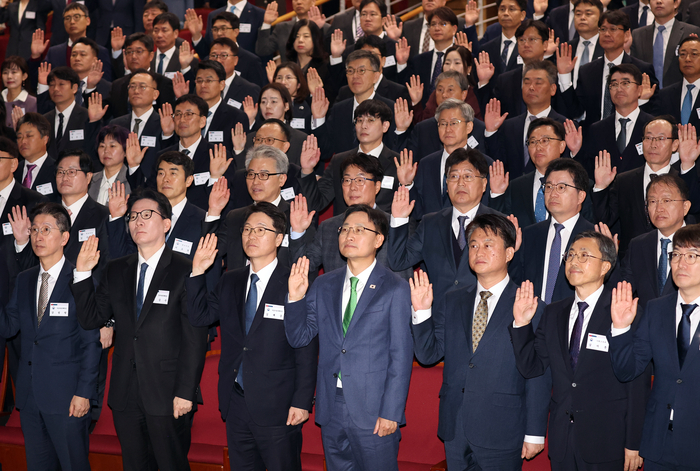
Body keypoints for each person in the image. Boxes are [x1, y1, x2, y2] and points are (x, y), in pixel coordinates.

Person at [72, 187, 209, 471]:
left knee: (171, 464)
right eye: (133, 216)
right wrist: (83, 274)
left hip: (168, 391)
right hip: (125, 391)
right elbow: (91, 319)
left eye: (147, 215)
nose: (138, 221)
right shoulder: (116, 269)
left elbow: (195, 338)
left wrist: (186, 391)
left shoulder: (185, 270)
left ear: (166, 224)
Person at [411, 214, 550, 470]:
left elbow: (538, 374)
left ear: (509, 253)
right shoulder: (453, 300)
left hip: (502, 427)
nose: (479, 251)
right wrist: (421, 312)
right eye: (473, 245)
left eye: (488, 244)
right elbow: (428, 354)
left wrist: (535, 432)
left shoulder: (530, 304)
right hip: (455, 424)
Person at [188, 203, 318, 471]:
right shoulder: (230, 280)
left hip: (279, 405)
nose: (251, 235)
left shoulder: (294, 280)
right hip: (236, 400)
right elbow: (199, 317)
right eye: (247, 229)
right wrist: (198, 271)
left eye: (260, 230)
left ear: (279, 239)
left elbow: (306, 348)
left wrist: (302, 401)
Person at [285, 204, 413, 470]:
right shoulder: (324, 284)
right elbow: (299, 338)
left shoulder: (395, 287)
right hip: (331, 405)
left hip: (374, 409)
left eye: (359, 230)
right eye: (345, 230)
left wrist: (391, 411)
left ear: (378, 240)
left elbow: (400, 355)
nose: (349, 235)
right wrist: (295, 298)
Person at [510, 231, 648, 471]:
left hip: (607, 440)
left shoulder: (624, 311)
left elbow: (637, 383)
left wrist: (633, 442)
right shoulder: (553, 312)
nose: (574, 261)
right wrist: (522, 325)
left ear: (605, 266)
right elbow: (532, 367)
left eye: (584, 255)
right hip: (563, 439)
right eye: (571, 255)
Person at [0, 202, 100, 471]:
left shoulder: (80, 280)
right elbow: (8, 327)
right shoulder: (25, 279)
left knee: (73, 465)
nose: (38, 236)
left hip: (67, 397)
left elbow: (91, 344)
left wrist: (84, 393)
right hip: (30, 396)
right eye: (34, 230)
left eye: (46, 229)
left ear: (65, 237)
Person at [609, 224, 700, 471]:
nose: (681, 263)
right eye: (676, 254)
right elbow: (627, 371)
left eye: (692, 255)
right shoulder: (656, 309)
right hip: (658, 443)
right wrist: (620, 328)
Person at [390, 147, 501, 314]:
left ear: (484, 184)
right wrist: (399, 219)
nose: (460, 183)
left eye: (468, 176)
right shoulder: (430, 223)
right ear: (446, 185)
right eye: (454, 176)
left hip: (481, 318)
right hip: (438, 319)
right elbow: (398, 261)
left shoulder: (499, 223)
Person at [592, 117, 700, 258]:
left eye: (661, 138)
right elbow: (604, 221)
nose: (653, 144)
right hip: (631, 259)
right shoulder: (624, 180)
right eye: (648, 138)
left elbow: (694, 209)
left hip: (674, 256)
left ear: (675, 145)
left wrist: (688, 164)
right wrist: (600, 187)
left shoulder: (683, 178)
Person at [290, 154, 410, 280]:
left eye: (360, 180)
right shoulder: (328, 227)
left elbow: (402, 279)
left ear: (377, 186)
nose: (352, 187)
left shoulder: (394, 226)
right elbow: (302, 269)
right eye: (347, 180)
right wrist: (298, 232)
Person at [212, 145, 313, 271]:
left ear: (281, 179)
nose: (255, 182)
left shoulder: (297, 218)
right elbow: (210, 253)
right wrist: (213, 212)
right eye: (251, 174)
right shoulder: (235, 217)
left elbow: (307, 267)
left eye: (264, 175)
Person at [510, 158, 595, 304]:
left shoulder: (593, 237)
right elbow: (516, 281)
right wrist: (513, 252)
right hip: (532, 314)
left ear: (581, 196)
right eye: (548, 187)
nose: (553, 193)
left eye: (561, 187)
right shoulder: (530, 234)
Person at [299, 99, 401, 216]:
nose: (363, 126)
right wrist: (307, 170)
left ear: (385, 126)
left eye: (370, 120)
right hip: (344, 225)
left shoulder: (398, 163)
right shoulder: (339, 160)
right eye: (359, 120)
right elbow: (316, 203)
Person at [558, 10, 657, 129]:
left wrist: (643, 101)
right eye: (603, 29)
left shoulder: (642, 69)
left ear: (626, 34)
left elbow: (654, 112)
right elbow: (576, 111)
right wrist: (564, 75)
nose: (607, 34)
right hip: (595, 135)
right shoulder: (587, 71)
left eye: (613, 29)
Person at [490, 117, 592, 227]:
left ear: (562, 146)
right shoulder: (515, 187)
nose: (538, 147)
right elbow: (501, 226)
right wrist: (497, 194)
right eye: (533, 142)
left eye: (545, 141)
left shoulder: (581, 185)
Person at [484, 60, 569, 180]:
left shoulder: (566, 126)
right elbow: (497, 162)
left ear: (553, 89)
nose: (531, 88)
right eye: (527, 83)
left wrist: (575, 151)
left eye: (538, 83)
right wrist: (491, 131)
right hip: (513, 189)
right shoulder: (509, 126)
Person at [569, 64, 655, 176]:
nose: (619, 89)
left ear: (639, 90)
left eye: (625, 83)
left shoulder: (653, 126)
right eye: (614, 84)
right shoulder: (597, 129)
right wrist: (576, 151)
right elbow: (588, 171)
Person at [310, 50, 396, 161]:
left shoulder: (390, 108)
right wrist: (319, 118)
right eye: (350, 71)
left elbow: (394, 150)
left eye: (361, 71)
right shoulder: (339, 109)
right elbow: (325, 152)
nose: (355, 76)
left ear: (376, 76)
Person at [410, 99, 488, 220]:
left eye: (454, 123)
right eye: (443, 124)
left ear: (469, 127)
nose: (448, 129)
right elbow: (418, 210)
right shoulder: (427, 163)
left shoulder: (485, 163)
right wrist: (407, 184)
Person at [621, 174, 691, 308]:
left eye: (666, 200)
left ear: (685, 207)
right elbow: (622, 291)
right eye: (652, 202)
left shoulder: (696, 242)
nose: (659, 208)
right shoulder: (637, 245)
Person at [109, 69, 176, 180]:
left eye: (142, 87)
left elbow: (170, 157)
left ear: (155, 94)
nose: (136, 91)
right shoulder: (116, 124)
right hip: (119, 182)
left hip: (151, 183)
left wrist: (168, 135)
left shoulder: (165, 124)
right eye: (132, 86)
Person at [30, 3, 113, 82]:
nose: (72, 22)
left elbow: (106, 84)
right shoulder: (54, 52)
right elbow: (37, 81)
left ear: (88, 20)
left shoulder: (100, 51)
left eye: (77, 17)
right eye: (67, 18)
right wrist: (36, 56)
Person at [396, 7, 460, 104]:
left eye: (443, 24)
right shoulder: (419, 60)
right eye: (433, 24)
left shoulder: (461, 58)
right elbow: (405, 88)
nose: (437, 28)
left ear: (454, 29)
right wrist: (402, 64)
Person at [630, 0, 700, 89]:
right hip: (646, 93)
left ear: (676, 3)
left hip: (678, 93)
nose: (659, 1)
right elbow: (634, 68)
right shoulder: (638, 34)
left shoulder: (690, 32)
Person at [187, 11, 266, 87]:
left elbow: (255, 90)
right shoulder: (208, 59)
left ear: (236, 32)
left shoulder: (251, 60)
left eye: (223, 29)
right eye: (215, 29)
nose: (219, 33)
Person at [107, 33, 176, 119]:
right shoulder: (117, 85)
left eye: (139, 51)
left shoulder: (163, 83)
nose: (133, 56)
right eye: (129, 52)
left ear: (151, 56)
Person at [649, 36, 700, 128]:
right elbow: (653, 125)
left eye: (694, 54)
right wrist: (644, 101)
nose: (687, 59)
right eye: (683, 54)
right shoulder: (665, 95)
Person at [256, 0, 329, 62]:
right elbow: (262, 50)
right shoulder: (281, 28)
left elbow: (328, 53)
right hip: (288, 72)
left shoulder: (324, 28)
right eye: (295, 0)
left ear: (313, 1)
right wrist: (266, 23)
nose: (299, 2)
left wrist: (317, 29)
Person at [558, 0, 605, 89]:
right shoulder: (564, 49)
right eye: (578, 14)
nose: (582, 18)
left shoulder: (608, 47)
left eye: (588, 14)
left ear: (601, 18)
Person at [14, 112, 58, 199]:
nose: (23, 141)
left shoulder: (57, 170)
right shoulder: (13, 171)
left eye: (29, 136)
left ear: (45, 139)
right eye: (19, 137)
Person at [201, 0, 266, 54]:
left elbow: (263, 48)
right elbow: (207, 50)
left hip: (249, 64)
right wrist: (197, 35)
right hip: (218, 64)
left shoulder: (260, 14)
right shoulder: (213, 15)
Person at [89, 125, 132, 205]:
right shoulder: (89, 180)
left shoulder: (131, 182)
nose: (106, 150)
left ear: (126, 151)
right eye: (102, 146)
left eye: (112, 146)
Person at [1, 56, 37, 128]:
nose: (9, 76)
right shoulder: (1, 99)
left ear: (24, 76)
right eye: (5, 72)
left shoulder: (32, 102)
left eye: (14, 72)